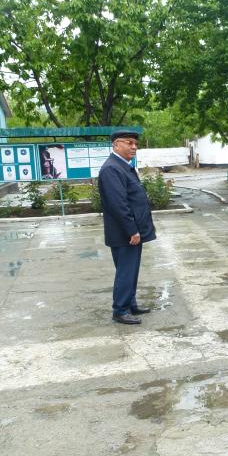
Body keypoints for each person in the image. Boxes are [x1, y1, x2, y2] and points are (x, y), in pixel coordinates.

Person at [98, 130, 156, 325]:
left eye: (136, 144)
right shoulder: (111, 169)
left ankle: (130, 303)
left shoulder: (122, 166)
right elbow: (118, 204)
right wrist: (132, 230)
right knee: (125, 271)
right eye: (129, 143)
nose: (134, 147)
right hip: (124, 233)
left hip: (131, 231)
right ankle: (120, 310)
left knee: (131, 270)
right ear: (116, 145)